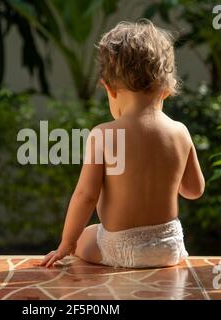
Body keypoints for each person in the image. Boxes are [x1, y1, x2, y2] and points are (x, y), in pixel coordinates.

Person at [39, 20, 204, 269]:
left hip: (122, 250)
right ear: (166, 91)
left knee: (86, 236)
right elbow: (194, 190)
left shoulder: (104, 135)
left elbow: (86, 195)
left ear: (109, 89)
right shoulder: (180, 132)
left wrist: (66, 243)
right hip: (170, 247)